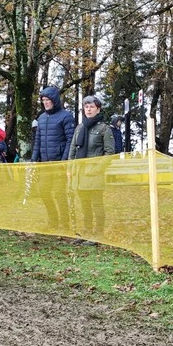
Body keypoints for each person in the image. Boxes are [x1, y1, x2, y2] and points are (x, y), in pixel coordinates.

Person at [68, 95, 115, 241]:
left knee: (97, 205)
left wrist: (97, 169)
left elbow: (109, 153)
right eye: (86, 107)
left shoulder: (104, 129)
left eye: (92, 107)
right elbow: (72, 149)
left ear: (98, 109)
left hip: (94, 175)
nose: (88, 109)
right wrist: (70, 168)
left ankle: (98, 234)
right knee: (85, 205)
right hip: (80, 174)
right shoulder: (80, 128)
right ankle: (87, 232)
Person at [31, 86, 75, 230]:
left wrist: (64, 161)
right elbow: (38, 140)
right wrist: (34, 159)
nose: (45, 103)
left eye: (48, 100)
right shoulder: (42, 118)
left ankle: (65, 223)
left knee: (60, 194)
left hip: (59, 163)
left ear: (54, 100)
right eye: (43, 100)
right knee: (43, 191)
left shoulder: (66, 116)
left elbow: (70, 140)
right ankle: (53, 220)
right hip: (45, 164)